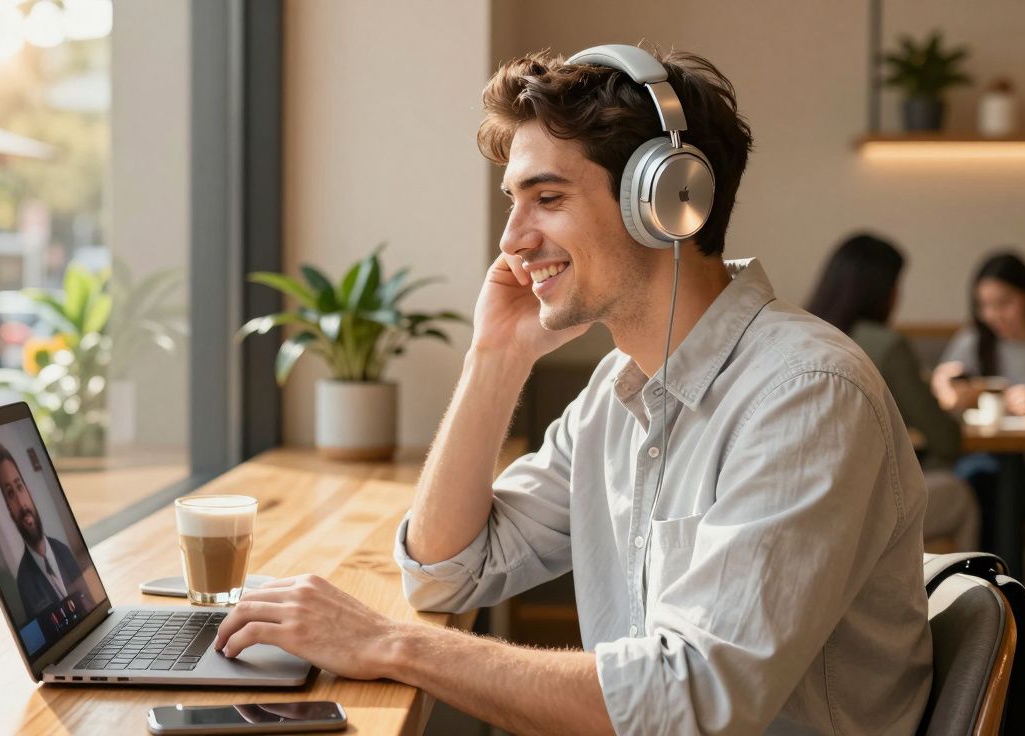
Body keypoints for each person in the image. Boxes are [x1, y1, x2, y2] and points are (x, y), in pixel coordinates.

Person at [211, 45, 932, 734]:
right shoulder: (616, 396)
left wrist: (388, 644)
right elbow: (446, 572)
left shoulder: (805, 396)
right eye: (512, 203)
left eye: (546, 198)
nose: (513, 239)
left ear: (670, 202)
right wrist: (495, 358)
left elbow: (692, 707)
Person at [806, 233, 978, 550]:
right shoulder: (887, 346)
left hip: (806, 501)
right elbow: (946, 440)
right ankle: (963, 596)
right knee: (960, 493)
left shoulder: (803, 335)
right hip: (862, 507)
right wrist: (955, 403)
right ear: (883, 291)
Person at [930, 251, 1025, 550]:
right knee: (972, 491)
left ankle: (994, 589)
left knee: (993, 498)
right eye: (985, 305)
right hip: (979, 464)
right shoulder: (973, 341)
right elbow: (942, 391)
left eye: (1004, 303)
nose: (994, 314)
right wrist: (952, 391)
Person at [0, 441, 82, 621]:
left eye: (19, 487)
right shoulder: (24, 583)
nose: (21, 503)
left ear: (29, 492)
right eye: (10, 494)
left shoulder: (63, 550)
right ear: (9, 510)